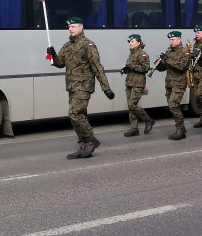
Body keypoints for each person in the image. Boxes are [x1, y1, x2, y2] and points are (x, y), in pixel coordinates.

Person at [48, 16, 114, 159]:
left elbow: (97, 67)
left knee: (75, 113)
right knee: (77, 116)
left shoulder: (88, 45)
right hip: (72, 86)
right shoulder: (67, 45)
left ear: (81, 27)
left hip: (84, 85)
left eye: (73, 26)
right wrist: (52, 55)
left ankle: (91, 140)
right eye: (69, 27)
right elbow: (59, 63)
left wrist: (105, 87)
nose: (70, 29)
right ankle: (83, 147)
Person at [156, 30, 191, 141]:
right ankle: (179, 128)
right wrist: (159, 64)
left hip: (179, 83)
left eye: (173, 39)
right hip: (170, 83)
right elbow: (163, 68)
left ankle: (180, 128)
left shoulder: (184, 52)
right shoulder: (169, 52)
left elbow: (182, 67)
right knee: (172, 106)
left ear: (179, 39)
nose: (171, 42)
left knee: (173, 105)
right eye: (170, 40)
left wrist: (168, 60)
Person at [121, 34, 155, 137]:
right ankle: (134, 128)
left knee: (132, 104)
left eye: (132, 41)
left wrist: (131, 66)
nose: (130, 43)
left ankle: (148, 120)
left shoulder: (142, 54)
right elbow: (132, 68)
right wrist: (125, 69)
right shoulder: (131, 54)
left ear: (138, 43)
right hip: (130, 82)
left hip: (138, 83)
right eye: (130, 42)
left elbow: (145, 68)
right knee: (130, 106)